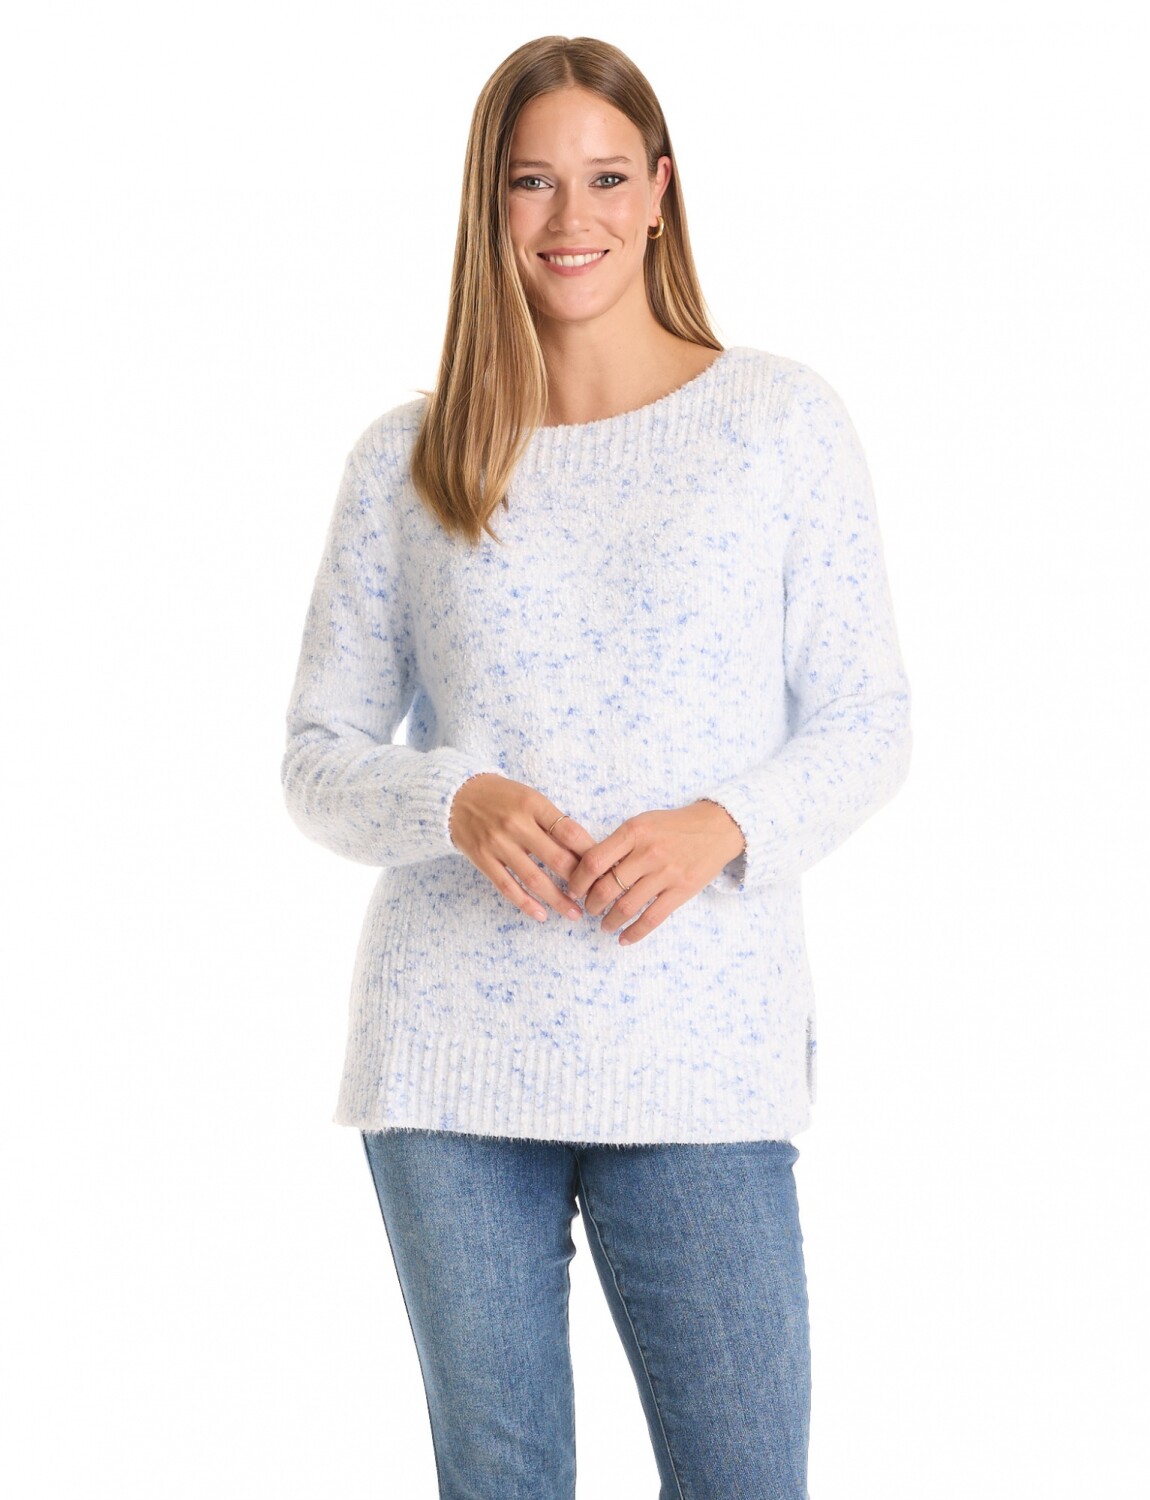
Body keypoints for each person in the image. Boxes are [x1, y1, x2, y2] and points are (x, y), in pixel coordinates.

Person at [283, 34, 910, 1500]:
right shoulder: (410, 456)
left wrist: (722, 822)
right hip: (450, 1055)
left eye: (605, 178)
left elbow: (869, 717)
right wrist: (451, 798)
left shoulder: (776, 421)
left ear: (660, 192)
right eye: (531, 182)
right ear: (487, 203)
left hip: (698, 1056)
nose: (570, 218)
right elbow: (315, 756)